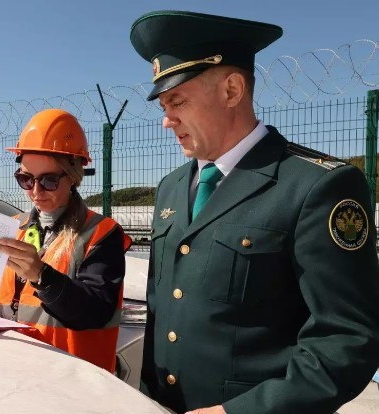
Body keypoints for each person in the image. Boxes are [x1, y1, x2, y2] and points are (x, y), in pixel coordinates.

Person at [129, 10, 379, 414]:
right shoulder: (171, 188)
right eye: (163, 105)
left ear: (231, 90)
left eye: (177, 101)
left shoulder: (315, 186)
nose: (166, 120)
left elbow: (347, 339)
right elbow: (163, 313)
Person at [0, 108, 132, 372]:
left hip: (69, 377)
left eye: (49, 181)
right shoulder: (13, 226)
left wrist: (42, 275)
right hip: (12, 369)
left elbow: (95, 312)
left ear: (73, 177)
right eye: (25, 179)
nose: (36, 191)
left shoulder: (101, 233)